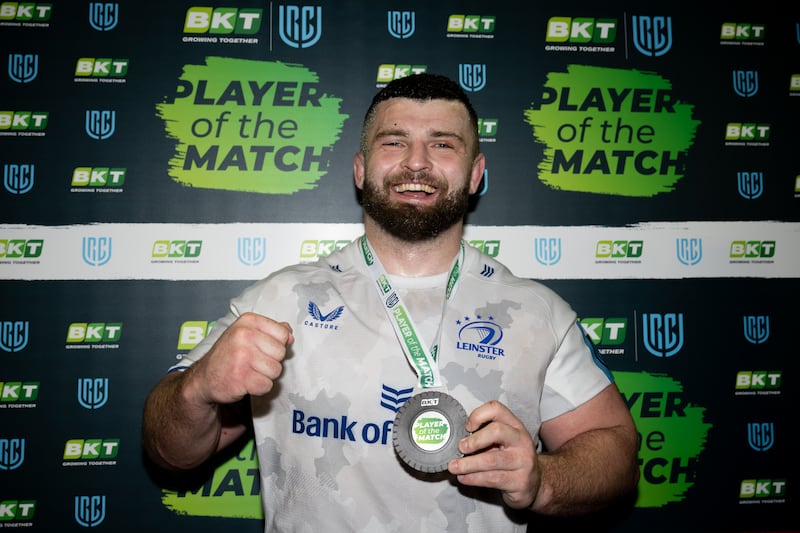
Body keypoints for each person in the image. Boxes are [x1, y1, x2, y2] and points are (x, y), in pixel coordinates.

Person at [142, 73, 639, 532]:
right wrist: (198, 389)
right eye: (394, 142)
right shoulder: (280, 300)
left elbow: (615, 451)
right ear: (361, 170)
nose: (417, 162)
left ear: (475, 174)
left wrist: (543, 480)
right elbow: (171, 452)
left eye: (442, 144)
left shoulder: (537, 312)